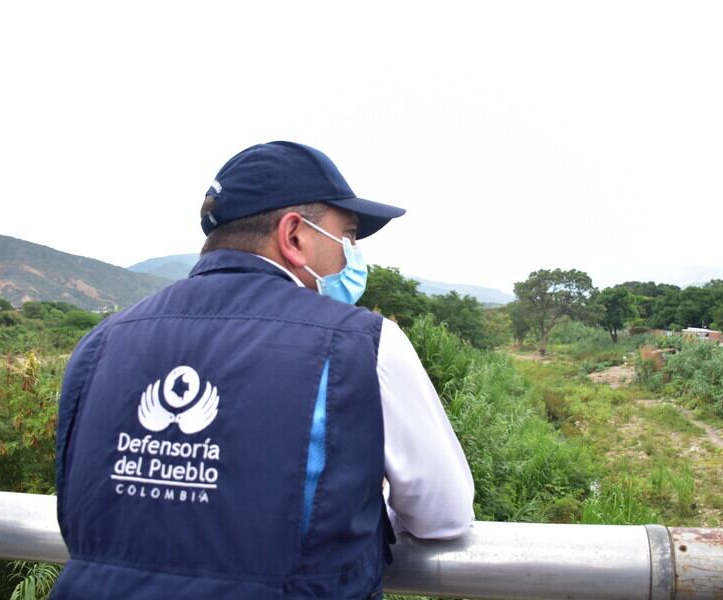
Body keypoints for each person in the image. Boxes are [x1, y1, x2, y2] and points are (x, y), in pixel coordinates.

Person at [51, 141, 474, 599]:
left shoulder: (101, 341)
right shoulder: (363, 343)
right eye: (348, 235)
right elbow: (443, 515)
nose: (352, 254)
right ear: (294, 235)